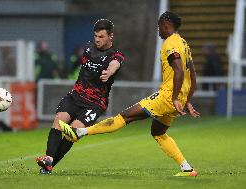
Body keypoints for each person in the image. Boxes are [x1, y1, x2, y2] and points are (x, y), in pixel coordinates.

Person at [60, 11, 200, 177]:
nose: (158, 30)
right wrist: (186, 99)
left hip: (168, 97)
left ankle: (79, 133)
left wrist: (175, 97)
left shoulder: (170, 43)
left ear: (166, 25)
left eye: (159, 26)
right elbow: (193, 75)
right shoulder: (184, 43)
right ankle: (187, 168)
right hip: (178, 98)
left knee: (125, 116)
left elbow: (179, 71)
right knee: (158, 132)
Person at [36, 19, 125, 174]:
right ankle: (48, 158)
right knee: (59, 121)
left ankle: (50, 165)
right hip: (76, 96)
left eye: (102, 36)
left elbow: (115, 64)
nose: (97, 39)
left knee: (73, 132)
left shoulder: (115, 55)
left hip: (95, 103)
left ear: (111, 36)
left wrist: (109, 72)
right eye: (96, 35)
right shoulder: (88, 48)